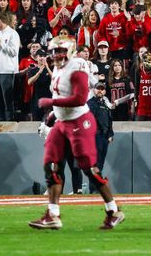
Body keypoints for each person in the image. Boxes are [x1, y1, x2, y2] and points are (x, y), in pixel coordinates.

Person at [28, 35, 124, 230]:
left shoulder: (77, 65)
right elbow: (60, 94)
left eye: (61, 51)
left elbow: (80, 98)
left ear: (70, 52)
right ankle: (53, 214)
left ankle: (113, 211)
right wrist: (54, 114)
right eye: (55, 51)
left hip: (80, 121)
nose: (57, 55)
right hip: (63, 122)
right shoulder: (56, 67)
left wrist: (51, 103)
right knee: (50, 164)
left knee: (89, 169)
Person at [0, 12, 20, 121]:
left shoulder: (13, 34)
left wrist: (0, 44)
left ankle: (9, 120)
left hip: (7, 69)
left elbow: (14, 52)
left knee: (7, 97)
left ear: (0, 21)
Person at [87, 82, 114, 190]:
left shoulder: (105, 104)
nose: (100, 91)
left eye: (102, 89)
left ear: (105, 91)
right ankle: (93, 189)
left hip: (104, 138)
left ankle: (96, 188)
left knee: (100, 164)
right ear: (94, 90)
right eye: (98, 88)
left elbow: (109, 120)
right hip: (95, 136)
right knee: (95, 164)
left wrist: (110, 134)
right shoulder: (90, 104)